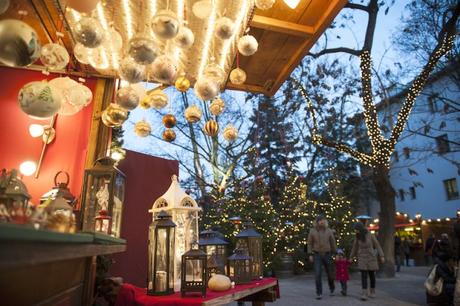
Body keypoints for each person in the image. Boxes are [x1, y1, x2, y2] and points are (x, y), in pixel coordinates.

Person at [350, 222, 384, 301]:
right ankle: (364, 293)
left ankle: (372, 291)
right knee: (363, 276)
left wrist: (381, 255)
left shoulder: (370, 235)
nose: (356, 231)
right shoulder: (357, 237)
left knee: (372, 275)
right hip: (362, 257)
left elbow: (377, 245)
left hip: (371, 257)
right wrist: (351, 257)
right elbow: (354, 247)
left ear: (360, 229)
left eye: (357, 230)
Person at [307, 215, 337, 300]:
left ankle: (332, 288)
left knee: (330, 273)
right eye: (320, 220)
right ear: (317, 222)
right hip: (317, 254)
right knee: (317, 274)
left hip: (327, 254)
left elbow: (333, 242)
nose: (321, 222)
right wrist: (310, 254)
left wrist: (335, 253)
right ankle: (319, 292)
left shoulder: (329, 231)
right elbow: (309, 243)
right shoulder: (312, 231)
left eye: (323, 220)